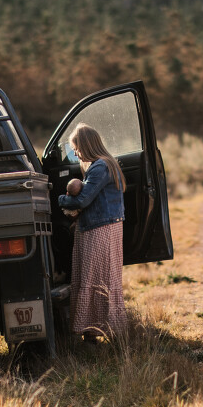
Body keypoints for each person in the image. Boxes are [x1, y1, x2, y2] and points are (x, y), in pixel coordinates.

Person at [56, 123, 126, 340]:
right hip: (103, 226)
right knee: (102, 278)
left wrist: (60, 199)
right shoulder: (107, 164)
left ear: (86, 145)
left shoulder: (99, 167)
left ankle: (94, 331)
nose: (76, 153)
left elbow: (83, 200)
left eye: (76, 148)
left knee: (94, 279)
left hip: (99, 229)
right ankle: (98, 331)